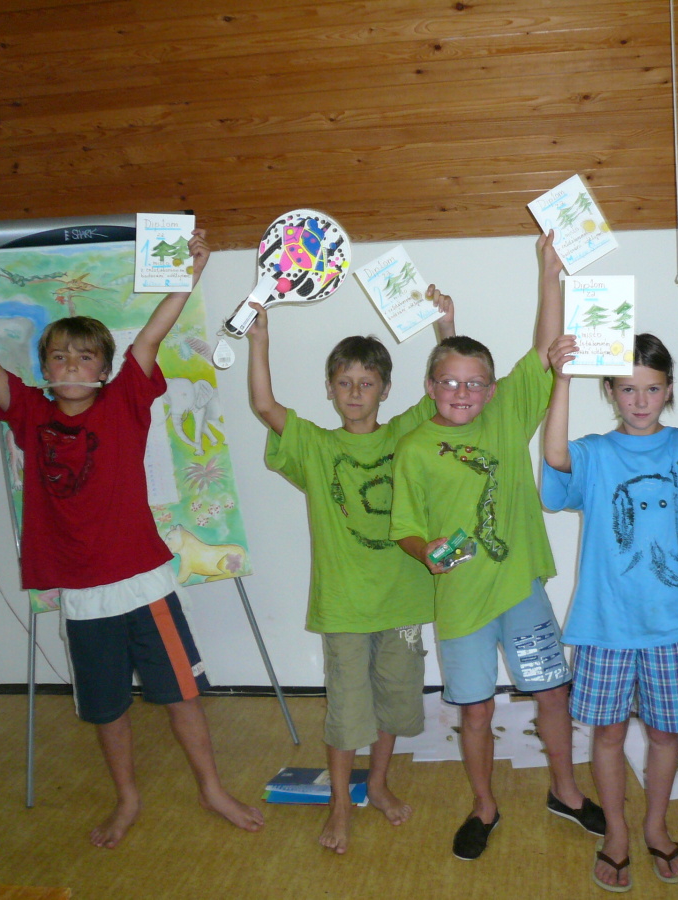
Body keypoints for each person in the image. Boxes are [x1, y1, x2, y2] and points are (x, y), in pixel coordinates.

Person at [0, 232, 264, 849]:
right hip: (85, 601)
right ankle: (128, 799)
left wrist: (189, 275)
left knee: (182, 697)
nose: (70, 365)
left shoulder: (125, 401)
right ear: (44, 369)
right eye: (59, 357)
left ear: (104, 370)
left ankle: (212, 789)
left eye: (85, 357)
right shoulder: (28, 411)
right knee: (107, 710)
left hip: (146, 588)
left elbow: (151, 336)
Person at [389, 232, 604, 862]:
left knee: (552, 694)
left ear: (490, 388)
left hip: (519, 591)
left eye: (476, 383)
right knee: (476, 711)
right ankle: (484, 806)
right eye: (450, 382)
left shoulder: (507, 414)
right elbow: (404, 526)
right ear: (430, 386)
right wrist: (424, 550)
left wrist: (549, 272)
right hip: (461, 604)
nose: (463, 393)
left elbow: (543, 349)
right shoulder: (413, 447)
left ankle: (565, 790)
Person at [541, 322, 678, 891]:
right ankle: (616, 831)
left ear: (669, 390)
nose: (640, 402)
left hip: (672, 625)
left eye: (652, 389)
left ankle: (656, 825)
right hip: (607, 625)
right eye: (627, 389)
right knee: (608, 733)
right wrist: (562, 380)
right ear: (609, 392)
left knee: (666, 734)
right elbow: (557, 458)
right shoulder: (596, 453)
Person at [246, 288, 455, 854]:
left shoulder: (406, 434)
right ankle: (340, 803)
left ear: (386, 389)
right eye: (344, 383)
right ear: (330, 389)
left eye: (367, 383)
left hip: (403, 602)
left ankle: (378, 785)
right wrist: (260, 340)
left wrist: (445, 328)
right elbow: (264, 405)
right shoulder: (314, 446)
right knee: (346, 713)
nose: (355, 393)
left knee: (393, 703)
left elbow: (447, 391)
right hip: (344, 607)